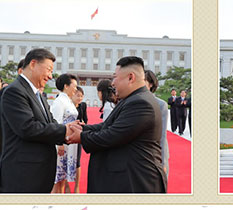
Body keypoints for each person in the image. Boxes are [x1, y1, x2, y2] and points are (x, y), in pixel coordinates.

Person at [69, 57, 166, 193]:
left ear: (130, 78)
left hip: (136, 180)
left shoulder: (141, 103)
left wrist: (81, 136)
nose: (113, 83)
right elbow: (107, 126)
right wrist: (82, 128)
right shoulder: (132, 99)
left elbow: (112, 135)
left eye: (115, 77)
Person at [0, 49, 78, 193]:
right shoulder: (15, 91)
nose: (50, 76)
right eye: (49, 70)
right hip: (22, 176)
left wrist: (69, 131)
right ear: (33, 64)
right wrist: (65, 130)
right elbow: (27, 128)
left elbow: (50, 122)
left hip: (37, 173)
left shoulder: (37, 94)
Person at [49, 73, 82, 194]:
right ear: (66, 86)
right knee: (57, 179)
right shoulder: (59, 101)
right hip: (62, 144)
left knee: (63, 179)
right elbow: (56, 123)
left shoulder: (68, 101)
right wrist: (59, 144)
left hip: (70, 144)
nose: (76, 89)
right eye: (74, 86)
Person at [144, 70, 170, 182]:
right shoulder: (128, 102)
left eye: (143, 81)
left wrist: (162, 162)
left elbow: (162, 135)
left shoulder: (160, 105)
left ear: (150, 84)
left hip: (155, 154)